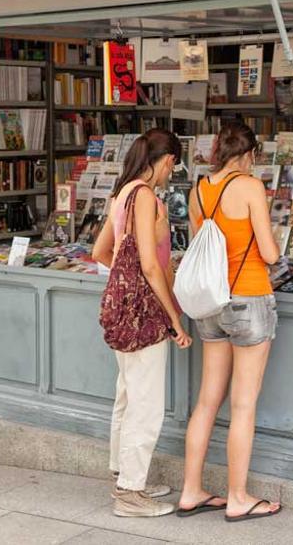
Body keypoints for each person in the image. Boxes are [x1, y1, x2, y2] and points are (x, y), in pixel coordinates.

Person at [177, 121, 283, 522]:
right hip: (249, 298)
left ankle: (191, 490)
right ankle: (237, 497)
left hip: (213, 303)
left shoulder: (200, 190)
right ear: (250, 154)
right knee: (243, 406)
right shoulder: (250, 187)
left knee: (207, 400)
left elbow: (202, 246)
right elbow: (270, 254)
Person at [92, 128, 192, 518]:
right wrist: (174, 319)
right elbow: (151, 264)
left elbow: (101, 251)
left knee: (127, 397)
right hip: (143, 315)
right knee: (145, 406)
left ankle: (124, 476)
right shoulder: (146, 196)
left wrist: (123, 278)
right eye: (172, 164)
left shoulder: (122, 193)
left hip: (121, 310)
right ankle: (130, 493)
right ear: (165, 160)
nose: (171, 172)